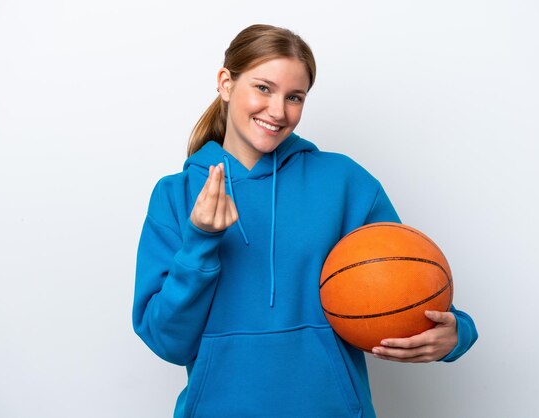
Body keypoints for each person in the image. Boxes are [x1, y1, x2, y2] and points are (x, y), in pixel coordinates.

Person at [133, 24, 478, 418]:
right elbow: (167, 341)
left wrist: (457, 333)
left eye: (294, 97)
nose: (278, 111)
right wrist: (200, 241)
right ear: (226, 83)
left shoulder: (344, 182)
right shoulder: (174, 196)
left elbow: (408, 286)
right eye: (263, 88)